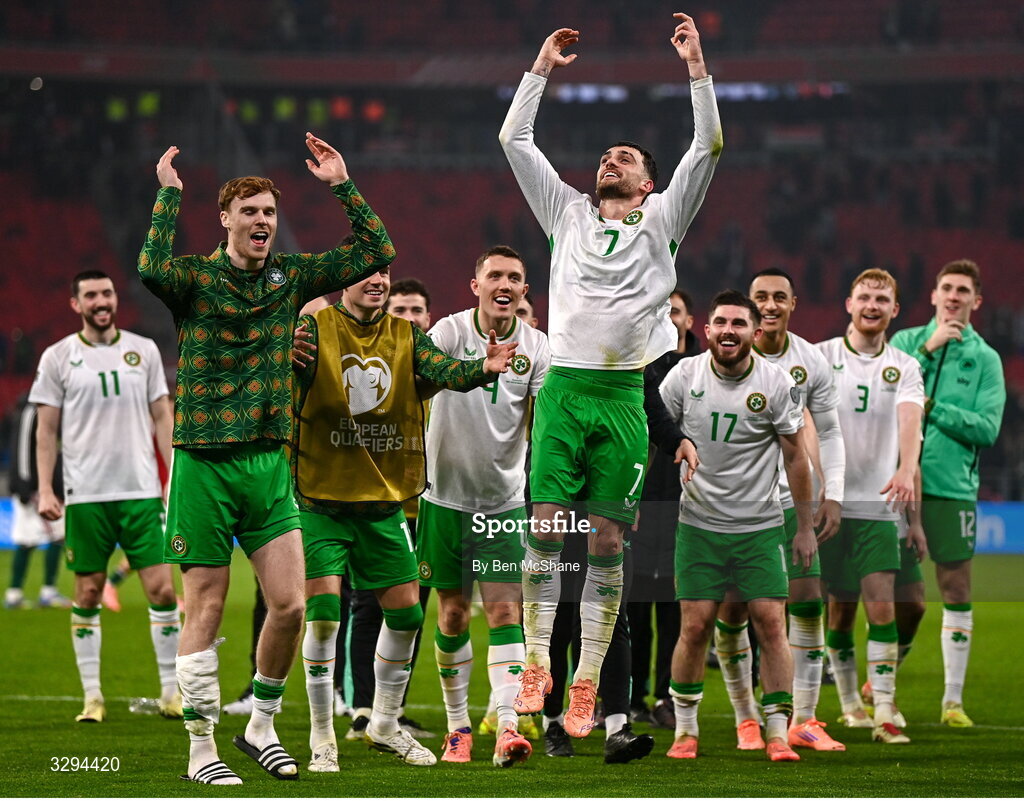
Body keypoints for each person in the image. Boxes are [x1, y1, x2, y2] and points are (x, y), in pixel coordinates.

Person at [139, 133, 395, 785]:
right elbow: (149, 266)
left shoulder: (292, 277)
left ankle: (259, 724)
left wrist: (342, 182)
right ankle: (201, 749)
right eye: (249, 211)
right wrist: (169, 197)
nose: (261, 221)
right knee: (208, 603)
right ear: (225, 218)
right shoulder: (195, 278)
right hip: (202, 461)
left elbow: (376, 252)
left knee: (288, 605)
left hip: (268, 464)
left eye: (268, 213)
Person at [498, 13, 719, 737]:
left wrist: (695, 70)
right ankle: (538, 661)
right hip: (564, 390)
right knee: (541, 528)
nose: (609, 161)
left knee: (605, 543)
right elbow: (513, 140)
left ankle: (588, 678)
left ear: (650, 180)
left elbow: (708, 145)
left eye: (623, 156)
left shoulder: (662, 220)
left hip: (624, 394)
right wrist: (540, 67)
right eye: (604, 154)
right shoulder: (564, 212)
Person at [294, 264, 517, 771]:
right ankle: (322, 736)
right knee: (326, 611)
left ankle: (384, 724)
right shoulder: (316, 327)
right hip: (321, 499)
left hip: (383, 501)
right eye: (365, 273)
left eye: (385, 272)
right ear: (342, 280)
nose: (377, 280)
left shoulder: (406, 335)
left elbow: (444, 372)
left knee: (409, 613)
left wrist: (483, 368)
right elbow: (285, 372)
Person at [659, 290, 814, 762]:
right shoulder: (684, 376)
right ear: (706, 330)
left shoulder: (777, 381)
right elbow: (653, 431)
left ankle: (777, 734)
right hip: (700, 525)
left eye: (739, 324)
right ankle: (686, 731)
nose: (729, 330)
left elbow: (795, 455)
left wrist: (803, 525)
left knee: (770, 623)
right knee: (695, 625)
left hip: (761, 526)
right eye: (720, 322)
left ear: (756, 331)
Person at [414, 245, 550, 767]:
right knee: (450, 614)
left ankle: (508, 727)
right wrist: (473, 366)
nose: (505, 283)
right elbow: (416, 383)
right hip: (445, 500)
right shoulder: (448, 334)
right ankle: (457, 731)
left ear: (523, 291)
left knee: (503, 610)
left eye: (515, 277)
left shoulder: (537, 348)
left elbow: (542, 423)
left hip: (502, 504)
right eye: (494, 274)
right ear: (476, 285)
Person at [29, 270, 180, 724]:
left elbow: (162, 416)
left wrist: (174, 477)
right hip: (86, 494)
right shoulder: (58, 357)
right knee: (89, 591)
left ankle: (171, 692)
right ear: (76, 304)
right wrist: (43, 487)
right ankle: (92, 697)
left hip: (140, 490)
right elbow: (47, 429)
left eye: (107, 293)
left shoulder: (144, 350)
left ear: (116, 299)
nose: (101, 300)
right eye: (91, 295)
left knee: (161, 588)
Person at [710, 268, 847, 752]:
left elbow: (828, 432)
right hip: (736, 503)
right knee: (731, 609)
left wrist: (833, 496)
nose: (769, 305)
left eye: (778, 297)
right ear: (749, 306)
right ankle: (746, 716)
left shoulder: (809, 361)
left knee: (808, 599)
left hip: (790, 499)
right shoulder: (716, 359)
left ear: (794, 304)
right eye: (760, 297)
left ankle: (804, 718)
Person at [889, 259, 1005, 727]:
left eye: (963, 291)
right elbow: (882, 394)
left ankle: (952, 702)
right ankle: (883, 686)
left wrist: (930, 408)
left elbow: (987, 429)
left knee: (956, 590)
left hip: (952, 487)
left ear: (976, 301)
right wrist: (927, 353)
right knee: (905, 599)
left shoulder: (987, 360)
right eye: (946, 288)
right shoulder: (903, 343)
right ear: (934, 295)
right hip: (895, 485)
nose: (953, 296)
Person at [816, 269, 924, 745]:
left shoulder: (905, 366)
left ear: (895, 310)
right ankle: (849, 705)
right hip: (831, 506)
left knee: (883, 607)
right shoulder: (821, 358)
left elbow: (910, 420)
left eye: (882, 299)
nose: (873, 305)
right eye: (865, 297)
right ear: (849, 303)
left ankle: (882, 710)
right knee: (839, 612)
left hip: (880, 507)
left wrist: (906, 468)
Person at [628, 288, 701, 729]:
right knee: (636, 605)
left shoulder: (699, 371)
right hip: (641, 501)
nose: (669, 318)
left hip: (684, 503)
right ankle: (635, 697)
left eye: (675, 311)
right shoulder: (639, 369)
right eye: (661, 312)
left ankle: (668, 695)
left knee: (674, 605)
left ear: (690, 322)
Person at [5, 393, 71, 610]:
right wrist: (25, 486)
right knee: (28, 539)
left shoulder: (52, 410)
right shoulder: (32, 410)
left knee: (56, 535)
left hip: (46, 489)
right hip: (31, 488)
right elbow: (23, 449)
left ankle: (42, 592)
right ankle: (17, 594)